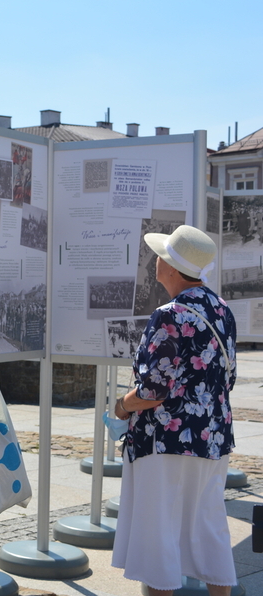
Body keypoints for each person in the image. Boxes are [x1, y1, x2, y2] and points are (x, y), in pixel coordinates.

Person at [111, 225, 237, 596]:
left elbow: (153, 390)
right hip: (212, 437)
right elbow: (225, 378)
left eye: (160, 257)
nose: (155, 262)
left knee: (159, 531)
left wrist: (120, 406)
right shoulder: (221, 309)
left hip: (165, 439)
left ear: (170, 267)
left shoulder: (169, 315)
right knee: (209, 526)